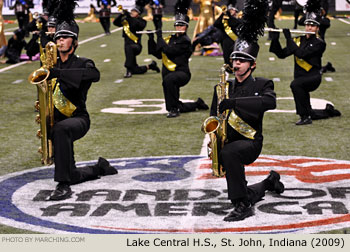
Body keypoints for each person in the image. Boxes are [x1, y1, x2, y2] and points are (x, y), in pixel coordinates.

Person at [208, 0, 284, 222]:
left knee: (230, 154)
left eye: (242, 60)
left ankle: (242, 206)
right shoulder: (223, 87)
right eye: (234, 59)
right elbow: (213, 116)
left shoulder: (262, 84)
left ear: (253, 65)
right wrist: (213, 141)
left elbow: (270, 103)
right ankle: (267, 184)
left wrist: (235, 104)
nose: (237, 63)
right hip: (228, 142)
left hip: (251, 142)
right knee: (229, 157)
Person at [46, 0, 117, 201]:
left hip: (78, 119)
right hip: (58, 121)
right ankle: (99, 168)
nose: (60, 41)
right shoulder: (50, 65)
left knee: (60, 130)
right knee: (73, 174)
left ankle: (62, 186)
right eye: (58, 38)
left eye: (65, 38)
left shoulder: (83, 63)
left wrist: (58, 73)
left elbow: (94, 75)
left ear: (75, 42)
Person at [269, 0, 340, 126]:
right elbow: (281, 54)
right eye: (307, 25)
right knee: (299, 87)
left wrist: (288, 39)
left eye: (312, 26)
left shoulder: (319, 43)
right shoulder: (299, 39)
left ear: (317, 28)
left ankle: (304, 116)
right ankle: (326, 112)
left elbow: (301, 54)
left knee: (295, 85)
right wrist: (275, 40)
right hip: (300, 76)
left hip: (312, 77)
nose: (309, 28)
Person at [148, 0, 209, 118]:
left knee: (169, 80)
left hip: (182, 73)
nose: (179, 27)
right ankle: (196, 104)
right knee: (174, 101)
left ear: (186, 27)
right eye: (177, 25)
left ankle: (174, 109)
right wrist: (151, 39)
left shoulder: (185, 41)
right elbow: (157, 54)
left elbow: (169, 51)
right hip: (168, 73)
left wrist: (159, 36)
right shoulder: (169, 39)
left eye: (181, 25)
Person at [113, 1, 160, 78]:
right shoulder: (127, 20)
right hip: (127, 45)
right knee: (134, 69)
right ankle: (150, 66)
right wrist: (121, 14)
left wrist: (128, 16)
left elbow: (135, 25)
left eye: (134, 11)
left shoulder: (142, 21)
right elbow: (115, 23)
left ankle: (128, 70)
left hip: (136, 46)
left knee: (129, 48)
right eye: (132, 11)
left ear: (138, 14)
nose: (132, 12)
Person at [213, 2, 241, 69]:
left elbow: (237, 23)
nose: (231, 11)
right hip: (225, 39)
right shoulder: (224, 18)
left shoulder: (238, 17)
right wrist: (223, 15)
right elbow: (216, 24)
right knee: (226, 54)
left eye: (232, 10)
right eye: (230, 10)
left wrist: (230, 17)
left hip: (236, 39)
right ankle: (228, 66)